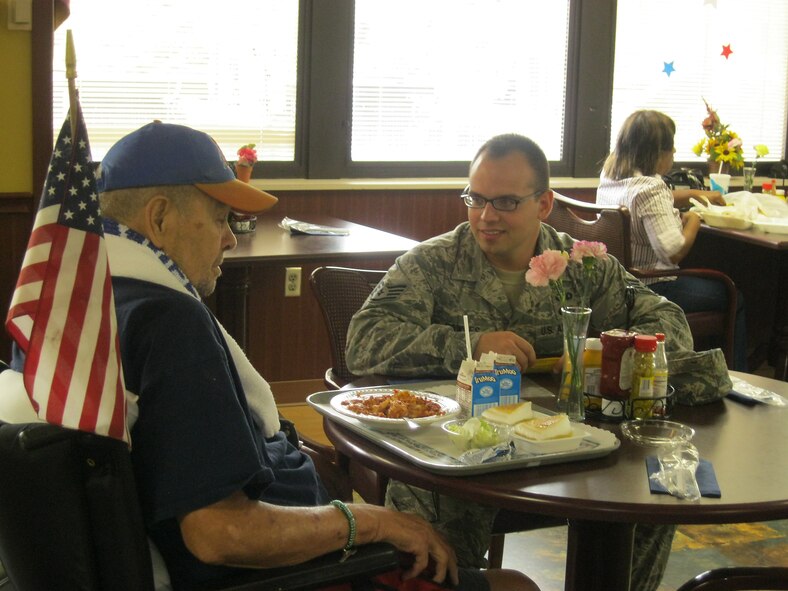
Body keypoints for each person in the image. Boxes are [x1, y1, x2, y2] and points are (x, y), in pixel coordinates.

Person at [93, 122, 538, 591]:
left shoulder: (99, 304)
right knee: (517, 585)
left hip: (295, 557)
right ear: (159, 217)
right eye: (222, 217)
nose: (229, 238)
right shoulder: (169, 324)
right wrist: (377, 523)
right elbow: (219, 534)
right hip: (294, 576)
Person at [346, 133, 696, 591]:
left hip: (571, 446)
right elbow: (365, 339)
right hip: (461, 454)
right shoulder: (433, 264)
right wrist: (468, 347)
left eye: (506, 202)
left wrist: (598, 351)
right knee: (431, 526)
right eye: (476, 199)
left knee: (654, 493)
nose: (486, 217)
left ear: (544, 204)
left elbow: (667, 320)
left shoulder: (582, 264)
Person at [596, 109, 747, 371]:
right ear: (657, 152)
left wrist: (698, 194)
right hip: (654, 286)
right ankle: (737, 375)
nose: (675, 153)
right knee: (734, 294)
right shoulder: (650, 189)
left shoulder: (612, 177)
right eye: (672, 147)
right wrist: (695, 219)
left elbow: (655, 200)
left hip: (619, 285)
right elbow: (672, 252)